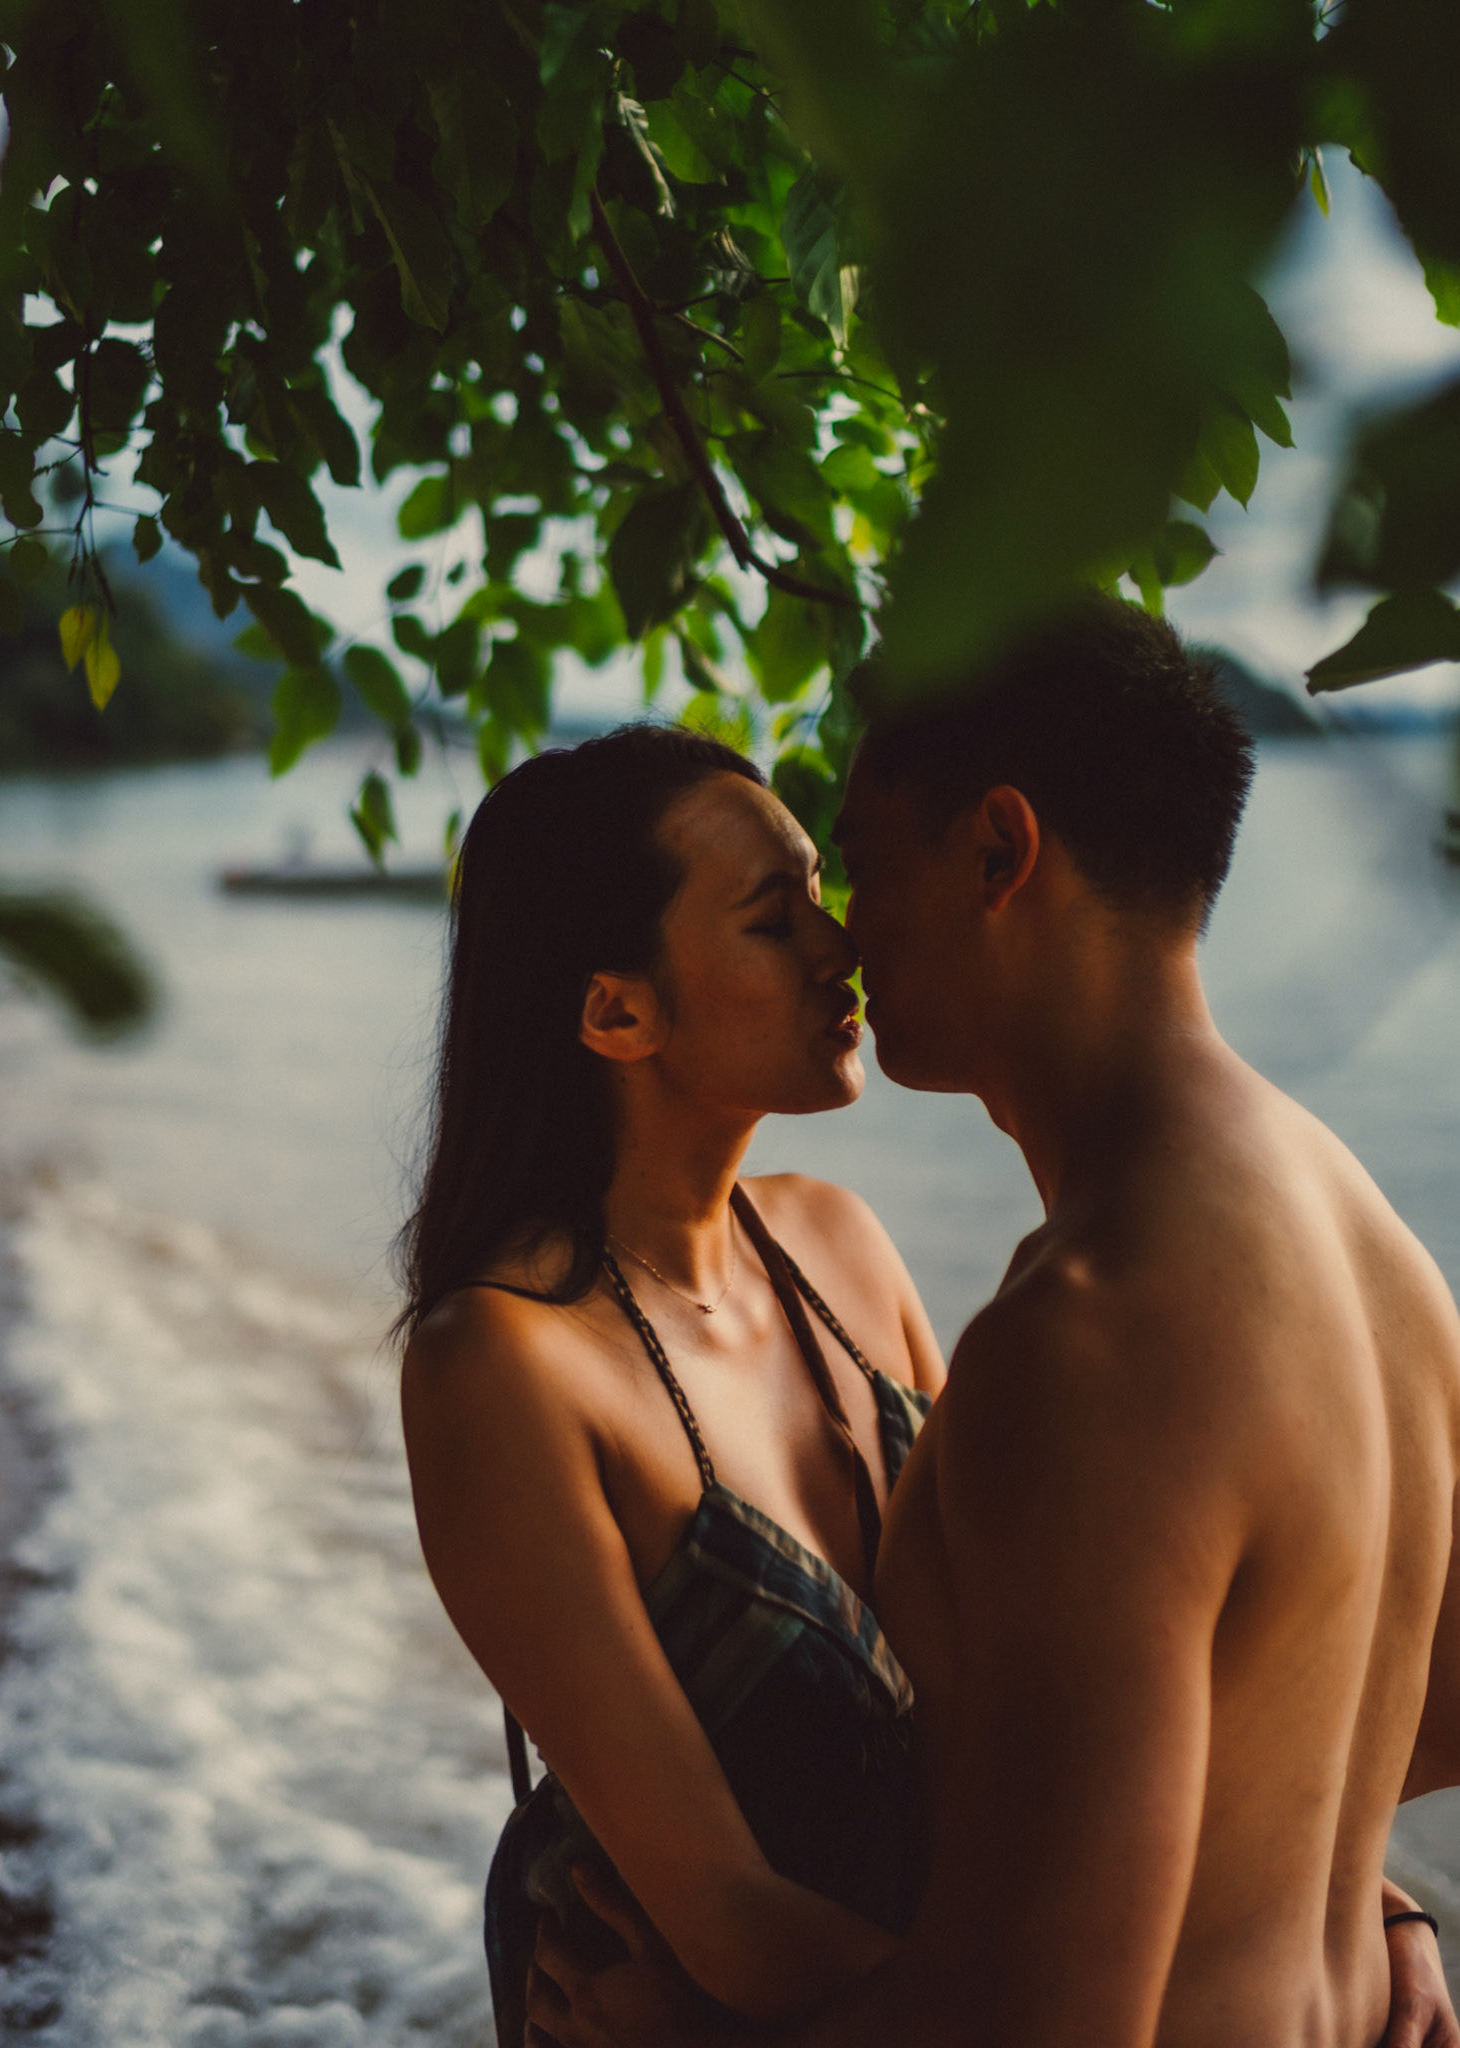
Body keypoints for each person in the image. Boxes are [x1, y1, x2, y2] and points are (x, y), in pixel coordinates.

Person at [527, 597, 1460, 2048]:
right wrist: (1345, 1896)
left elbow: (1049, 2026)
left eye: (860, 863)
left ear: (995, 851)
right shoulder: (1368, 1237)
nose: (842, 934)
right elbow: (1414, 1700)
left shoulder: (1087, 1334)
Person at [398, 725, 947, 2042]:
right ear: (615, 1011)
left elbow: (1044, 1673)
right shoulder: (506, 1362)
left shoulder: (839, 1243)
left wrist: (1318, 1898)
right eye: (776, 918)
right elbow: (731, 1919)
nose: (840, 945)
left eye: (820, 891)